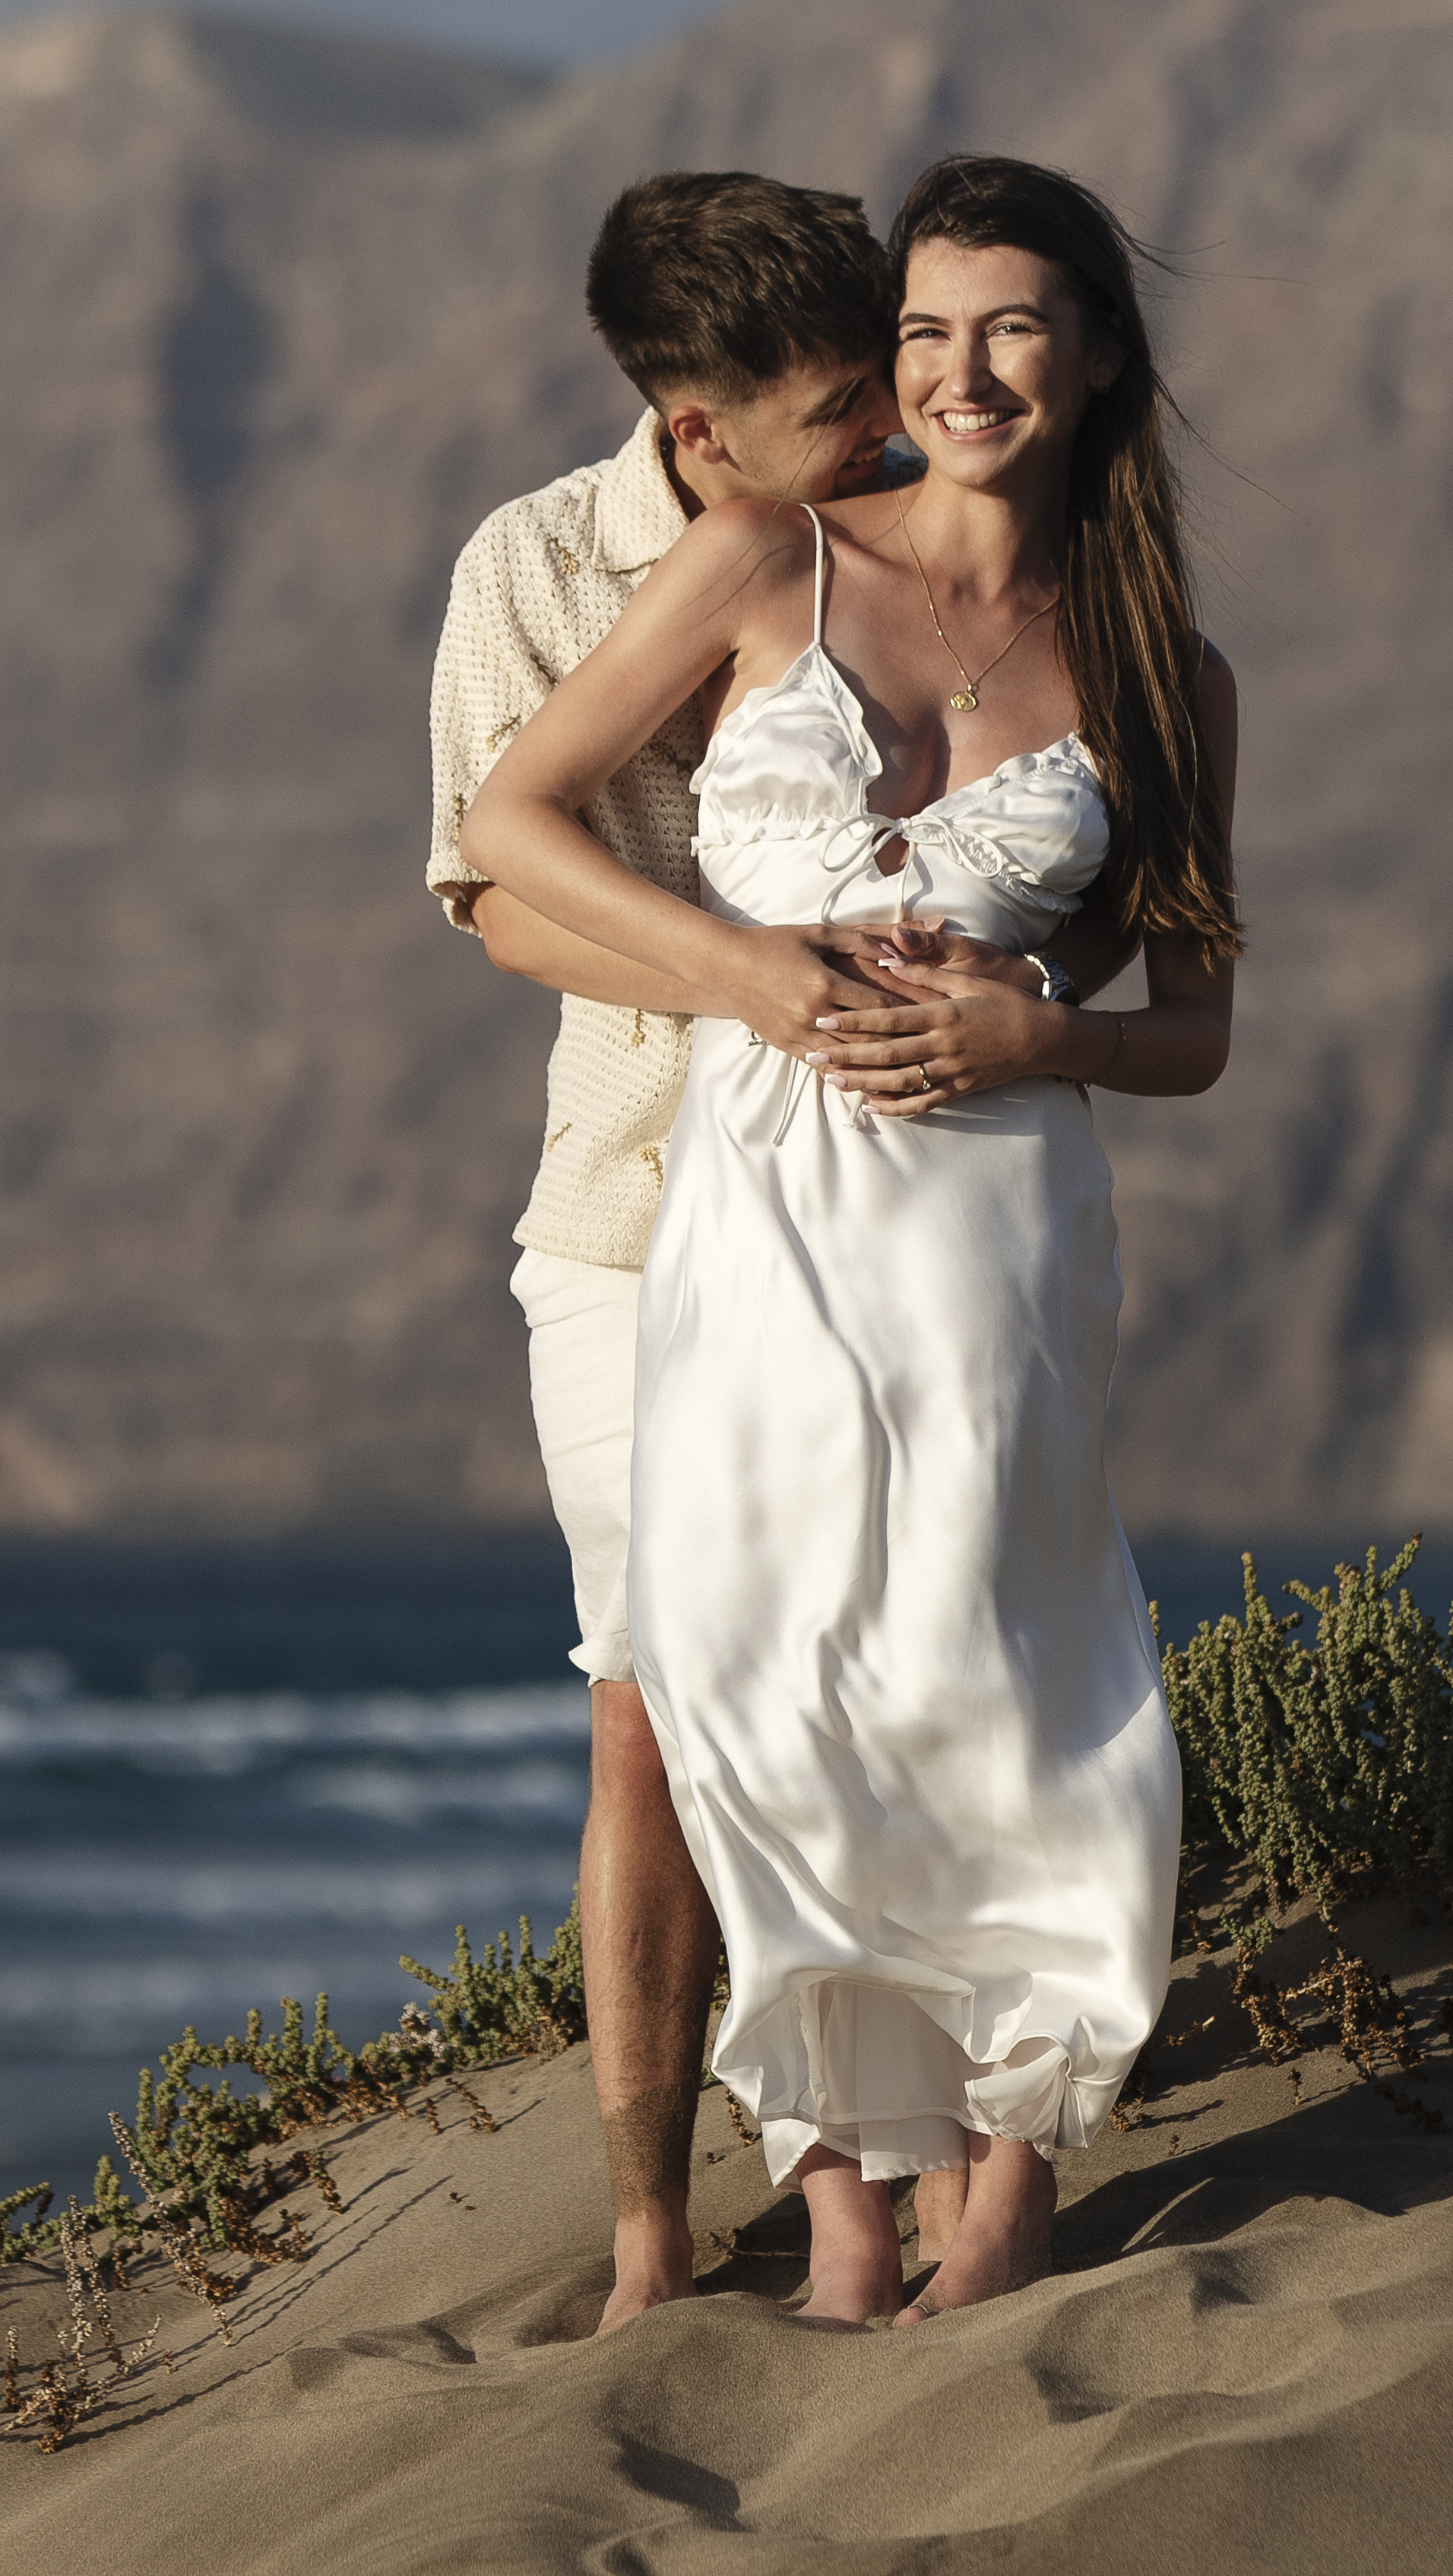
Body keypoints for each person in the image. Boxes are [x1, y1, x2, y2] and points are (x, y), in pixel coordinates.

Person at [456, 153, 1239, 2328]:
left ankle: (1009, 2166)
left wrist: (1035, 1025)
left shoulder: (1163, 667)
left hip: (989, 1229)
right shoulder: (755, 555)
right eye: (920, 333)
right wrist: (742, 964)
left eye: (1007, 328)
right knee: (752, 1682)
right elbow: (506, 825)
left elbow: (1195, 1032)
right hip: (746, 1216)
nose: (957, 372)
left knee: (999, 1677)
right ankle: (835, 2195)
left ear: (1090, 358)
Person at [422, 171, 915, 2331]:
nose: (883, 433)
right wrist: (752, 979)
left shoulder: (928, 522)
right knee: (641, 1713)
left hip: (901, 1198)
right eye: (830, 411)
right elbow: (494, 892)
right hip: (633, 1206)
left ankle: (883, 2181)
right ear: (696, 431)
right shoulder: (533, 566)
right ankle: (641, 2232)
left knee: (879, 1689)